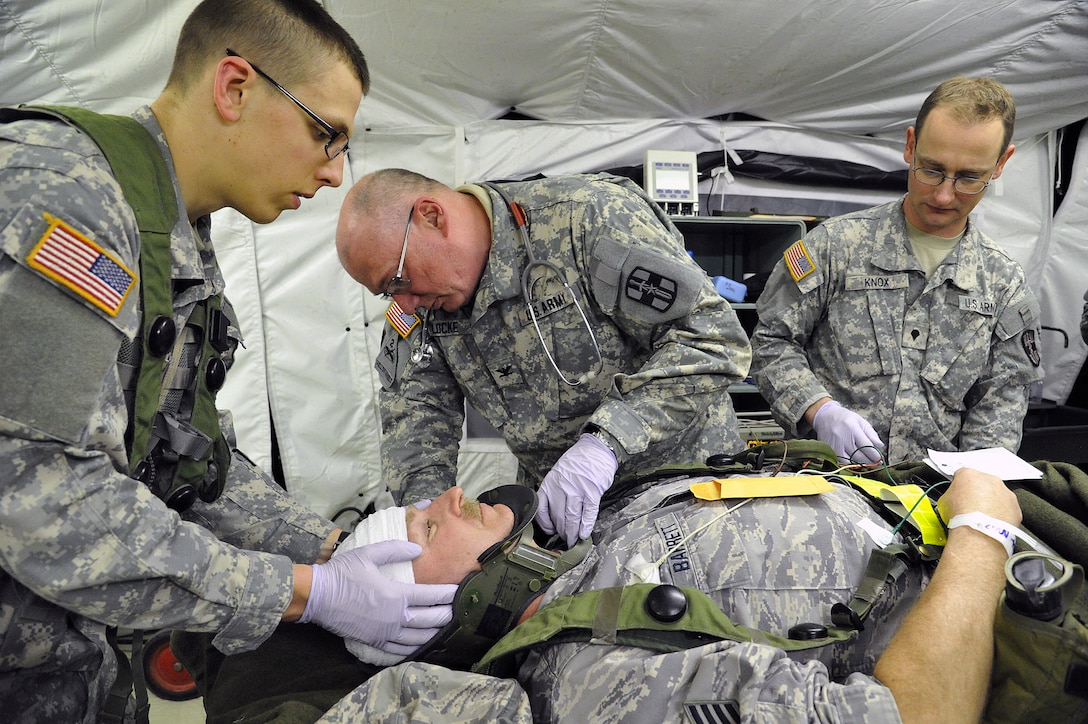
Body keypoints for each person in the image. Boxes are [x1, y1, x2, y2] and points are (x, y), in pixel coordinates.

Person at [0, 2, 457, 720]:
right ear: (235, 88)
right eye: (325, 134)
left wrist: (342, 549)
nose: (337, 173)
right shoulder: (66, 197)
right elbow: (40, 498)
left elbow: (189, 464)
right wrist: (308, 591)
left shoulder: (171, 236)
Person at [173, 446, 1088, 723]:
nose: (448, 497)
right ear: (421, 604)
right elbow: (920, 716)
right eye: (420, 526)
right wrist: (979, 529)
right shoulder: (594, 677)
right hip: (1031, 605)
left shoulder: (598, 540)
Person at [335, 168, 752, 546]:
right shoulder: (421, 301)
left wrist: (605, 444)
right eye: (388, 292)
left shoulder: (586, 218)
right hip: (561, 517)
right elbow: (415, 411)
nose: (403, 304)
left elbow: (712, 339)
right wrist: (427, 517)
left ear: (432, 216)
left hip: (684, 495)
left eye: (398, 280)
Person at [751, 76, 1043, 465]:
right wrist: (818, 409)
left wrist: (971, 491)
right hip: (826, 487)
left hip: (932, 496)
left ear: (1001, 163)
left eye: (969, 178)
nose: (943, 194)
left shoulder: (1003, 284)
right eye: (931, 169)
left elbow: (1000, 406)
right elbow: (771, 342)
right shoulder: (834, 247)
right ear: (910, 146)